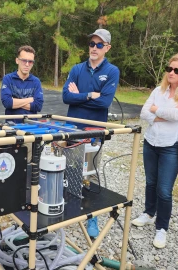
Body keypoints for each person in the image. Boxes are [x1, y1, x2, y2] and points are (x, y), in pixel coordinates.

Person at [132, 52, 178, 249]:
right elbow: (144, 112)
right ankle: (148, 213)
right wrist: (161, 113)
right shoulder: (158, 90)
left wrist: (156, 110)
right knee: (150, 182)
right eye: (169, 68)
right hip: (151, 142)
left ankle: (162, 228)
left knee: (164, 190)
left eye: (177, 70)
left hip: (172, 145)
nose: (171, 73)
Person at [62, 29, 120, 238]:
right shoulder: (77, 69)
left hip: (94, 130)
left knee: (91, 173)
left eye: (99, 44)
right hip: (71, 129)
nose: (94, 48)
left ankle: (91, 216)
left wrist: (81, 96)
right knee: (68, 169)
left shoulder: (112, 71)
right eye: (92, 44)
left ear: (107, 48)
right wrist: (89, 95)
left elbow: (105, 102)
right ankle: (68, 208)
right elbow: (66, 97)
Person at [1, 45, 43, 123]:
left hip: (32, 126)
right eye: (24, 60)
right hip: (12, 126)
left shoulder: (36, 81)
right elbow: (7, 103)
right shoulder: (8, 79)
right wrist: (29, 100)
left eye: (30, 61)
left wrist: (15, 102)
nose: (27, 64)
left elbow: (38, 106)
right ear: (17, 60)